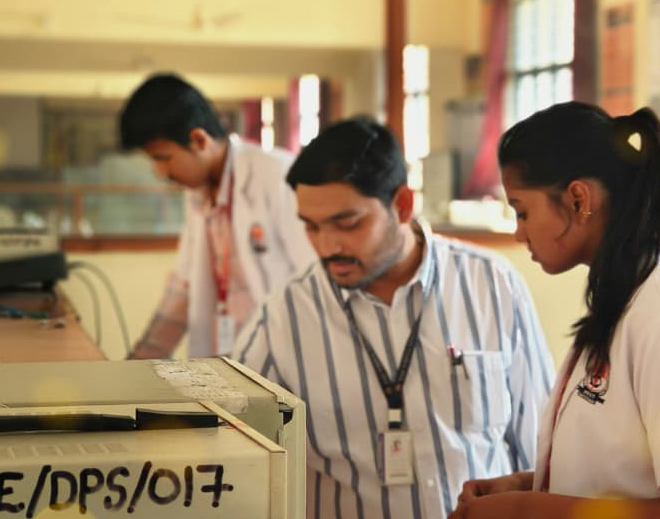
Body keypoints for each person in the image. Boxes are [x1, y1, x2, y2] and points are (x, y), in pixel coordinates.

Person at [232, 117, 555, 519]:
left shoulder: (491, 284)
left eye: (347, 224)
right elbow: (236, 457)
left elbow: (539, 443)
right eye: (311, 227)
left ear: (402, 205)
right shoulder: (283, 319)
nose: (327, 246)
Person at [449, 101, 660, 519]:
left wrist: (526, 508)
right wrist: (531, 483)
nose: (519, 232)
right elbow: (622, 476)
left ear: (578, 200)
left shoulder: (653, 311)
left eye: (522, 212)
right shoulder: (617, 299)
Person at [120, 73, 316, 358]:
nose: (160, 172)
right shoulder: (198, 193)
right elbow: (184, 287)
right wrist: (139, 362)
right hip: (230, 358)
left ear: (199, 140)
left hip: (284, 360)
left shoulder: (277, 175)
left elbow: (315, 281)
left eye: (163, 158)